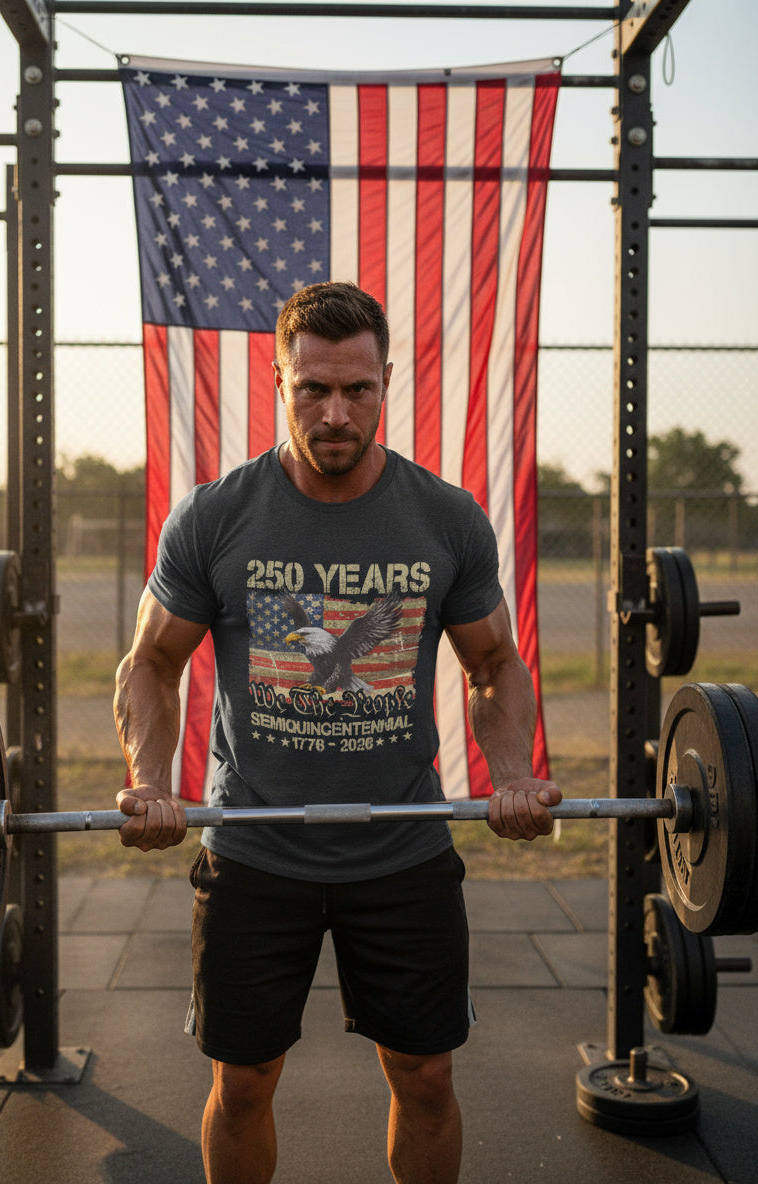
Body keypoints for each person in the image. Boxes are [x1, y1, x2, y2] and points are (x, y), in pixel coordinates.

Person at [113, 281, 561, 1184]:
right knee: (243, 1082)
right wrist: (152, 782)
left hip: (400, 846)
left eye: (356, 389)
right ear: (278, 380)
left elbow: (494, 664)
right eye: (311, 388)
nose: (334, 411)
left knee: (427, 1076)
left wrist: (511, 771)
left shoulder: (445, 517)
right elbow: (151, 664)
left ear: (386, 381)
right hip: (257, 847)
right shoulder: (215, 516)